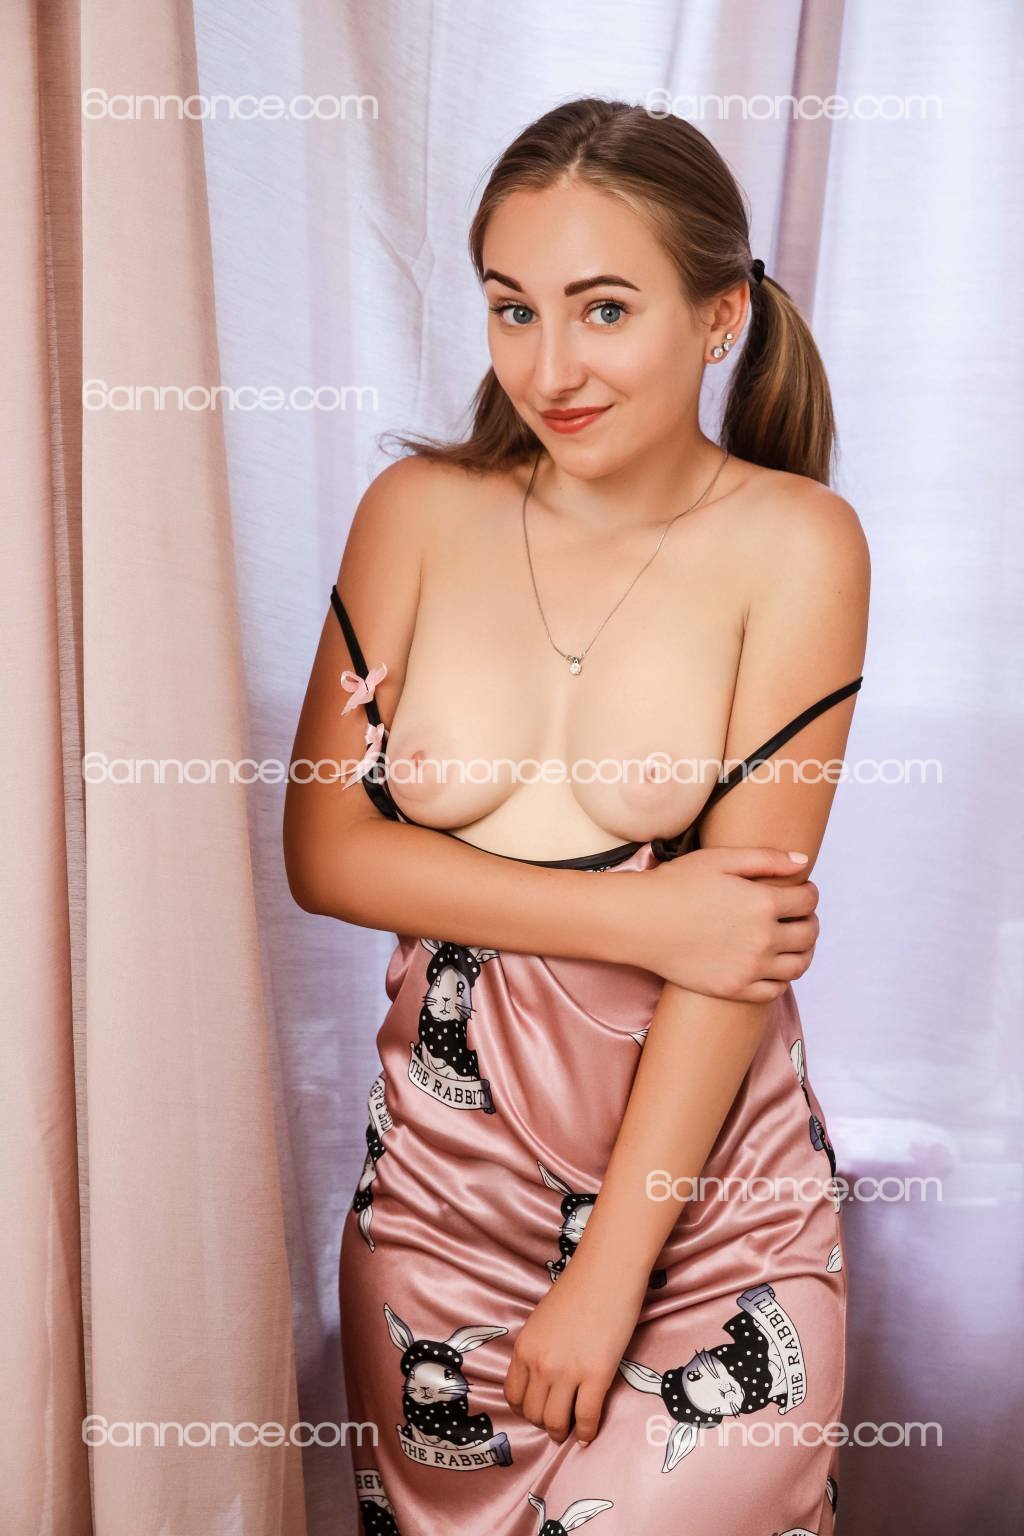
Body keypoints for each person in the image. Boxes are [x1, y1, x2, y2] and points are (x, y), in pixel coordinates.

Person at [284, 95, 869, 1536]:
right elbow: (325, 852)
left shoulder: (795, 543)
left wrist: (608, 1278)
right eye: (514, 309)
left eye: (604, 308)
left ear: (720, 315)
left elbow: (735, 955)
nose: (550, 368)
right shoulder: (415, 512)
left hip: (710, 1209)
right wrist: (640, 912)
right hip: (440, 1205)